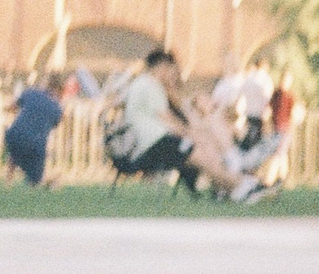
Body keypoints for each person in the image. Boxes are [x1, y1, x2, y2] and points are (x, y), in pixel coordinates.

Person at [107, 51, 269, 202]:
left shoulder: (141, 83)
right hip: (155, 144)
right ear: (162, 67)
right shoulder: (150, 85)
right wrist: (189, 134)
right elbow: (167, 119)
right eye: (169, 69)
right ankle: (238, 182)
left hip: (152, 144)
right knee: (197, 148)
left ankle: (235, 182)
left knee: (199, 147)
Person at [5, 73, 67, 186]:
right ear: (60, 90)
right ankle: (50, 181)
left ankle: (8, 181)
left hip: (13, 135)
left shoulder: (31, 92)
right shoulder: (56, 107)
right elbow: (58, 121)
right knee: (36, 179)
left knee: (15, 151)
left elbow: (11, 107)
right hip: (36, 145)